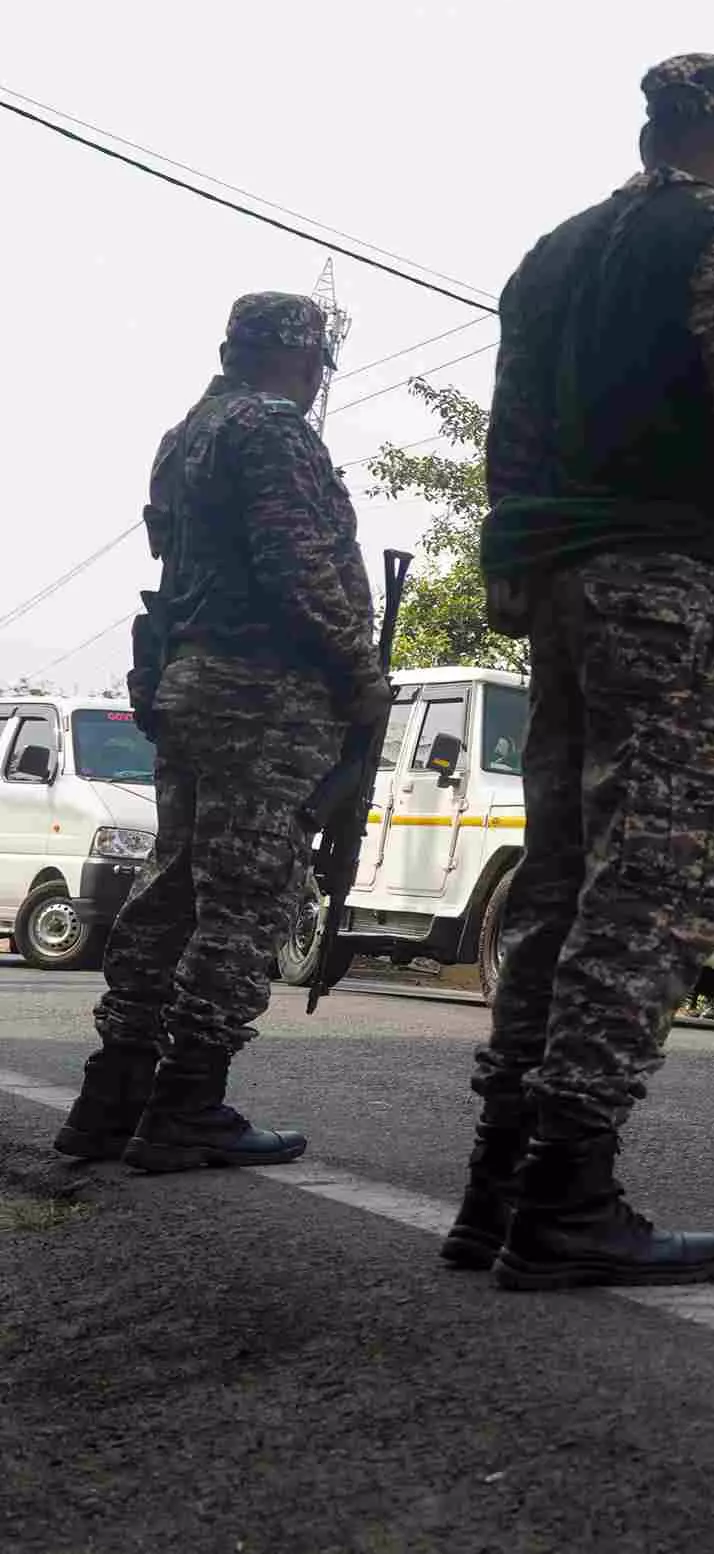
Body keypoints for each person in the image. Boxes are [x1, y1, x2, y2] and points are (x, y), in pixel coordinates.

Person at [456, 53, 714, 1291]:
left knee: (558, 882)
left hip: (563, 587)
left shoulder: (549, 257)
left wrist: (514, 570)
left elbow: (509, 447)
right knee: (655, 880)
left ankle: (497, 1185)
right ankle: (567, 1196)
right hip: (673, 585)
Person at [52, 293, 381, 1173]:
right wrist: (361, 671)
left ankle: (112, 1094)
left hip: (194, 680)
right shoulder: (271, 427)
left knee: (174, 887)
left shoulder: (188, 434)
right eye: (314, 365)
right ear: (299, 359)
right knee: (246, 897)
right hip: (261, 691)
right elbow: (296, 565)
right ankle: (187, 1105)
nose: (314, 383)